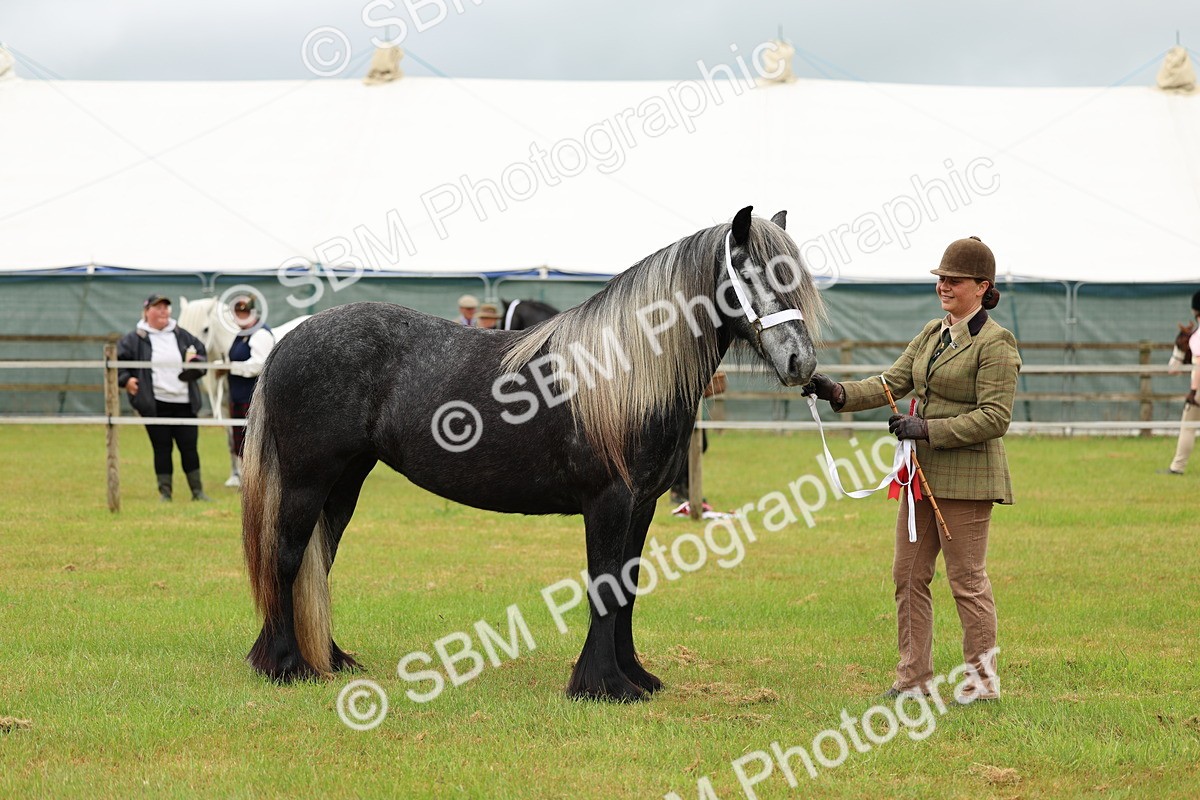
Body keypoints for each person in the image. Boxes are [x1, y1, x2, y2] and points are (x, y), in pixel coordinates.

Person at [804, 236, 1021, 701]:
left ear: (982, 287)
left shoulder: (997, 343)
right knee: (907, 575)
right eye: (941, 278)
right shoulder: (931, 332)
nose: (943, 285)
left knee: (966, 582)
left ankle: (982, 683)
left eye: (954, 280)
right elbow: (891, 382)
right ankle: (913, 680)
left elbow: (995, 418)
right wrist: (838, 392)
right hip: (919, 479)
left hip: (966, 479)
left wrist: (926, 429)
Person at [117, 294, 211, 502]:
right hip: (155, 403)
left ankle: (198, 492)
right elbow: (118, 364)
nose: (163, 311)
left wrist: (195, 364)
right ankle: (165, 494)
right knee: (161, 448)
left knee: (189, 448)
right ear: (146, 311)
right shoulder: (134, 339)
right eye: (157, 307)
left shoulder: (182, 335)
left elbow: (201, 354)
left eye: (166, 307)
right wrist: (126, 380)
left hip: (184, 402)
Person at [221, 295, 274, 488]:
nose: (241, 316)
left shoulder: (260, 334)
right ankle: (248, 481)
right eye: (238, 312)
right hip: (239, 396)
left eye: (244, 312)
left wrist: (230, 368)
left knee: (255, 443)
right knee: (241, 442)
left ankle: (259, 482)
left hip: (254, 398)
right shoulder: (241, 334)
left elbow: (259, 365)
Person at [1162, 291, 1200, 475]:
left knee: (1188, 425)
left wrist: (1193, 391)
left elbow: (1198, 366)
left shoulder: (1197, 337)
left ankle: (1178, 467)